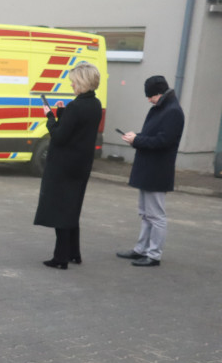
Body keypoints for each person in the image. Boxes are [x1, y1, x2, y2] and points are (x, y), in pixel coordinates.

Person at [33, 62, 103, 269]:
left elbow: (59, 136)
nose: (72, 85)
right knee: (72, 209)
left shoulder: (76, 106)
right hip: (81, 165)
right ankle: (74, 253)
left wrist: (50, 117)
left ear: (82, 82)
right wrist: (63, 113)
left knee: (60, 211)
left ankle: (60, 258)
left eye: (74, 81)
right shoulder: (95, 104)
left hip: (63, 166)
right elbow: (77, 129)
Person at [116, 75, 185, 267]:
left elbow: (163, 141)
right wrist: (136, 137)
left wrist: (137, 140)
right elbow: (152, 135)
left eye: (150, 96)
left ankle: (153, 255)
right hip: (149, 169)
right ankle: (141, 250)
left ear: (159, 93)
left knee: (156, 215)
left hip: (157, 171)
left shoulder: (172, 112)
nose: (148, 100)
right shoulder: (162, 108)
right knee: (146, 214)